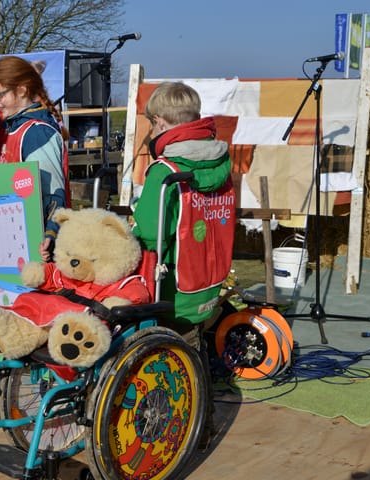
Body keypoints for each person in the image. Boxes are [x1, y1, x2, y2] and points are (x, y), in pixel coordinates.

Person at [131, 81, 235, 446]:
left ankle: (173, 430)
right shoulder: (220, 159)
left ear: (159, 123)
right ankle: (202, 426)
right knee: (195, 349)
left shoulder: (166, 169)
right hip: (207, 278)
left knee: (166, 354)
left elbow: (147, 233)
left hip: (172, 282)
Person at [0, 55, 70, 257]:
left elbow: (55, 194)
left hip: (37, 247)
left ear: (21, 90)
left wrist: (51, 233)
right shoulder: (9, 129)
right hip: (12, 241)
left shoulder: (37, 132)